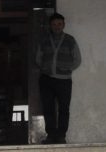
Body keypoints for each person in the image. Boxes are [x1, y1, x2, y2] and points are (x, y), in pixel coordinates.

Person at [35, 12, 82, 144]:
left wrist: (66, 69)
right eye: (54, 24)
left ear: (63, 25)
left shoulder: (70, 40)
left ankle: (61, 136)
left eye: (59, 24)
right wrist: (46, 69)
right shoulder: (44, 40)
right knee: (48, 108)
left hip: (64, 81)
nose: (57, 26)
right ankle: (50, 135)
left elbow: (77, 59)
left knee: (64, 109)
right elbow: (38, 58)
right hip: (46, 80)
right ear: (50, 25)